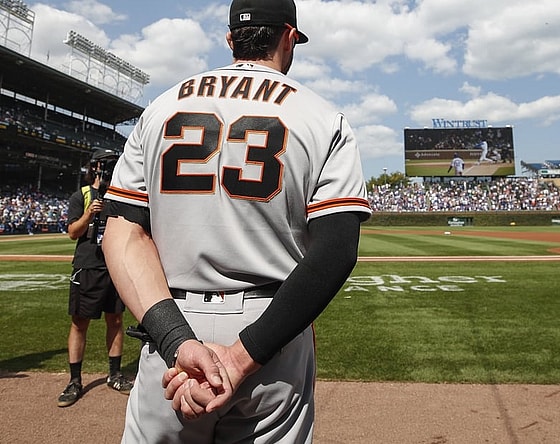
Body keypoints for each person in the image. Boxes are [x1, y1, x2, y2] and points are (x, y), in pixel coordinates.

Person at [100, 0, 371, 441]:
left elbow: (123, 233)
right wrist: (241, 356)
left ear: (230, 40)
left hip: (169, 319)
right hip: (271, 331)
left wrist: (176, 341)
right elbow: (337, 250)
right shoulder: (324, 117)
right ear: (288, 37)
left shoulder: (160, 108)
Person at [57, 148, 134, 408]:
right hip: (88, 266)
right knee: (80, 322)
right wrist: (89, 213)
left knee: (116, 319)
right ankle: (74, 380)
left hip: (114, 265)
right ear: (95, 168)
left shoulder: (121, 196)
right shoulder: (81, 195)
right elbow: (72, 232)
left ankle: (114, 374)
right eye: (105, 166)